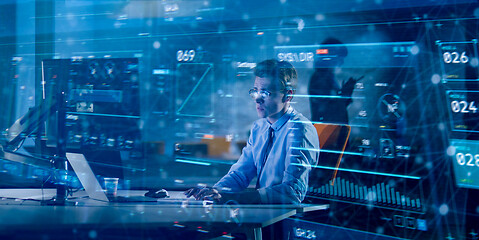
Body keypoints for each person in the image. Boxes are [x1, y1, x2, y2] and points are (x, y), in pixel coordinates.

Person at [185, 59, 319, 204]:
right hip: (262, 214)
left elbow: (292, 192)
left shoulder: (301, 130)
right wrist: (216, 192)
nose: (257, 99)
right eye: (255, 91)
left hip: (285, 219)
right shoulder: (259, 128)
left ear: (288, 95)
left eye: (266, 93)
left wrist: (234, 198)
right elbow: (240, 175)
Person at [309, 37, 360, 124]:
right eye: (340, 58)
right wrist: (344, 95)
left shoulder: (326, 76)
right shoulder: (321, 77)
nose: (341, 62)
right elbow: (325, 110)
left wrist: (344, 95)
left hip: (330, 130)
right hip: (328, 131)